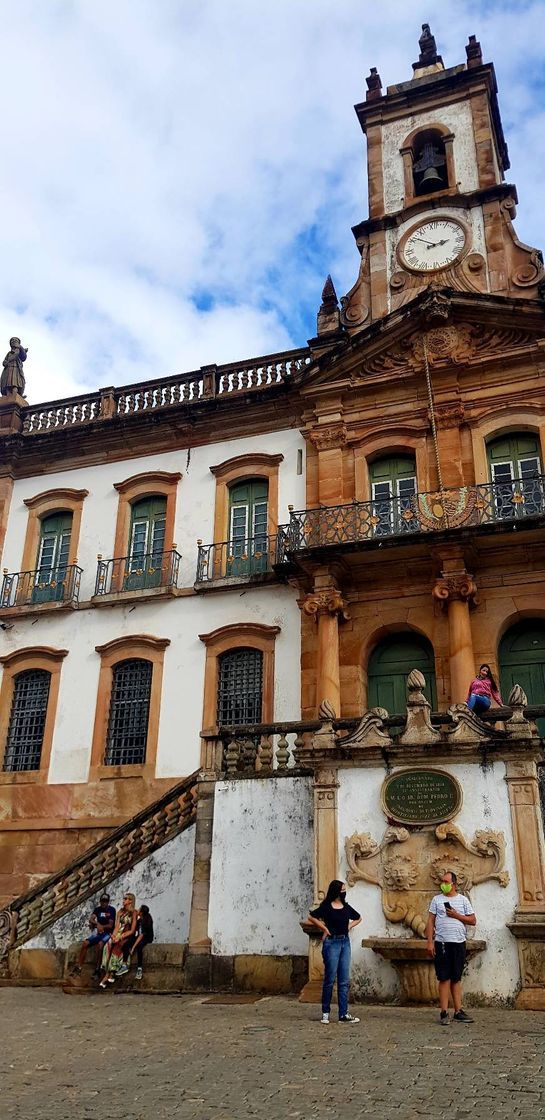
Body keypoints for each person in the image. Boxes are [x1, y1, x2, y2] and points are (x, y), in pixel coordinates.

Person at [308, 879, 362, 1025]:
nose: (344, 892)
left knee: (344, 980)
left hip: (345, 942)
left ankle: (343, 1013)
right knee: (330, 979)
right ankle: (325, 1012)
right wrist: (324, 929)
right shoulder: (326, 907)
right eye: (342, 889)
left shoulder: (345, 907)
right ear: (336, 891)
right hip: (332, 943)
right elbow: (312, 916)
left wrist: (349, 926)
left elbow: (358, 917)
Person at [426, 870, 477, 1026]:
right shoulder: (436, 900)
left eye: (446, 882)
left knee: (456, 977)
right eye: (442, 882)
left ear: (454, 884)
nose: (444, 885)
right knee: (444, 977)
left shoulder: (463, 900)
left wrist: (457, 916)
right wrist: (429, 942)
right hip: (442, 942)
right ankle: (443, 1011)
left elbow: (473, 920)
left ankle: (458, 1010)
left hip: (458, 942)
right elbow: (430, 921)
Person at [72, 892, 116, 977]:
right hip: (98, 932)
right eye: (102, 901)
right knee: (85, 943)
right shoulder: (98, 909)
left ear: (108, 902)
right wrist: (98, 925)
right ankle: (79, 966)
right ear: (100, 901)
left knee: (100, 945)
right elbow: (91, 919)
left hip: (107, 932)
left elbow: (110, 925)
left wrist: (101, 927)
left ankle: (97, 969)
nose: (104, 903)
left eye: (106, 901)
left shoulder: (111, 910)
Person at [99, 892, 137, 988]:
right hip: (119, 933)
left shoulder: (134, 913)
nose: (123, 901)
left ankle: (110, 973)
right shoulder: (120, 912)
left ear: (130, 901)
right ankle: (107, 971)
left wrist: (121, 937)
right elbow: (116, 927)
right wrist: (114, 936)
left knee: (117, 947)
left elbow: (132, 930)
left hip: (127, 934)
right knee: (107, 945)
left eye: (126, 899)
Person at [117, 904, 154, 980]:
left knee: (139, 947)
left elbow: (141, 935)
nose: (137, 910)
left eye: (139, 909)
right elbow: (134, 930)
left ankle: (139, 968)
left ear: (141, 912)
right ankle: (124, 965)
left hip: (146, 938)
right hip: (139, 936)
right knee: (126, 944)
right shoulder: (139, 920)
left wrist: (133, 947)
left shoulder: (147, 921)